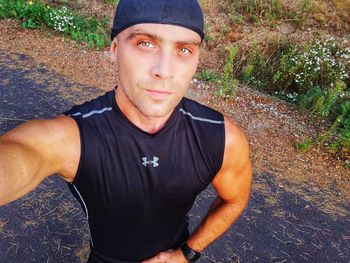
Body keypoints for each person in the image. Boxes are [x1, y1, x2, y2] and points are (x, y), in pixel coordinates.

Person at [0, 0, 252, 262]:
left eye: (184, 49)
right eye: (145, 43)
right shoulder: (75, 137)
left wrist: (187, 253)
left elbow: (233, 200)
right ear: (114, 49)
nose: (164, 71)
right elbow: (25, 152)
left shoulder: (221, 139)